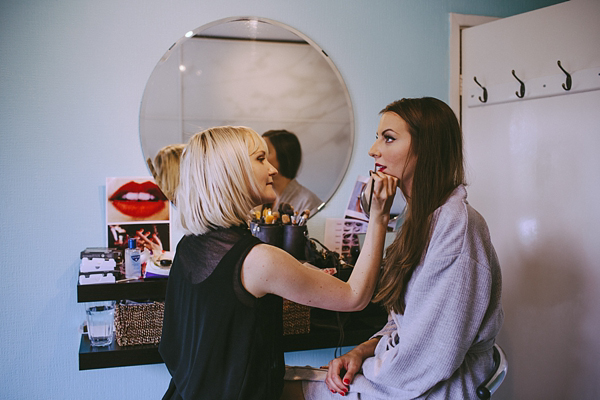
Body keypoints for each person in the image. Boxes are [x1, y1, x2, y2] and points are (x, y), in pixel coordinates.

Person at [158, 126, 398, 399]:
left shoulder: (189, 246)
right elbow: (355, 297)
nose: (272, 169)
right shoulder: (258, 259)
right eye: (261, 159)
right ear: (231, 173)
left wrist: (301, 271)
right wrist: (379, 216)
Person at [297, 98, 504, 399]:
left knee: (285, 387)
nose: (373, 151)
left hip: (429, 390)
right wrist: (362, 351)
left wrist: (368, 369)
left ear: (426, 149)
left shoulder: (456, 225)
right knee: (291, 380)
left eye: (389, 138)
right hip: (404, 378)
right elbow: (403, 321)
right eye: (377, 138)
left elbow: (430, 358)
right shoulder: (417, 218)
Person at [262, 129, 323, 215]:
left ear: (283, 156)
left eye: (266, 152)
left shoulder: (307, 202)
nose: (260, 157)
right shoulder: (262, 198)